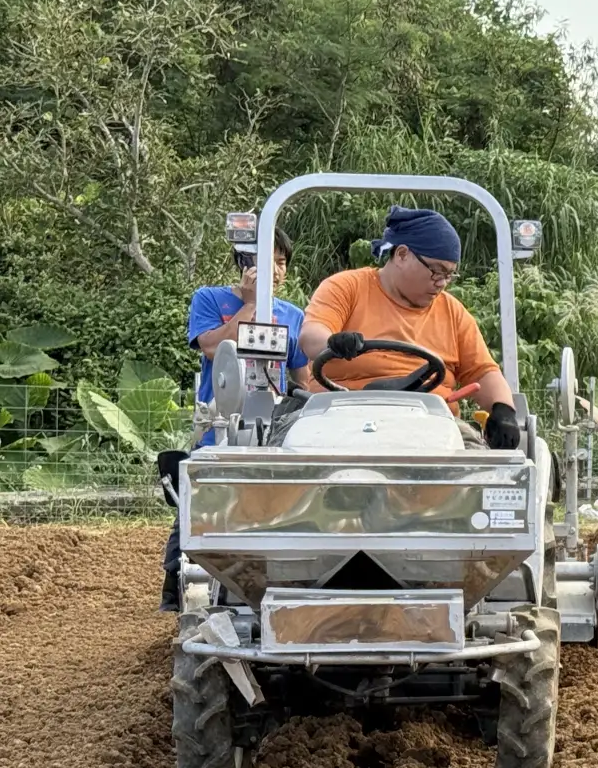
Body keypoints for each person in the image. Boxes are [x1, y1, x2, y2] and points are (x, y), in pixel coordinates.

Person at [161, 229, 312, 612]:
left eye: (281, 263)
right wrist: (249, 305)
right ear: (245, 264)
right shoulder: (210, 299)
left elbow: (304, 377)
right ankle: (178, 588)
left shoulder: (293, 316)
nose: (275, 271)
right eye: (266, 262)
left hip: (274, 428)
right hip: (221, 424)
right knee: (199, 504)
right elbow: (212, 347)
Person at [296, 206, 519, 449]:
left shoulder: (452, 312)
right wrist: (333, 343)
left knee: (484, 468)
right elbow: (311, 336)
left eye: (449, 275)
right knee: (293, 452)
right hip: (340, 418)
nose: (442, 283)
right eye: (436, 271)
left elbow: (483, 372)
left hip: (433, 427)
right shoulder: (346, 288)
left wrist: (503, 411)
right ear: (402, 254)